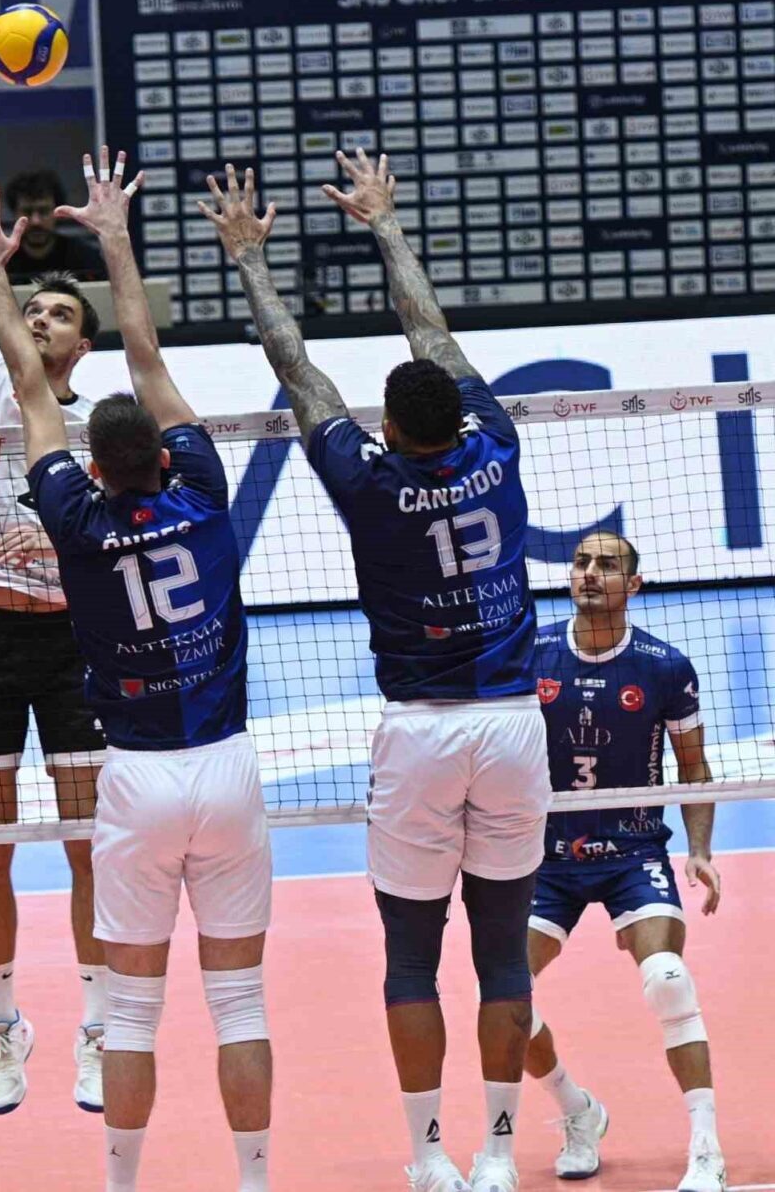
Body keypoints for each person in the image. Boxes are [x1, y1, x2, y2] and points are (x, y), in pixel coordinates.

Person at [206, 151, 549, 1192]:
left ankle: (427, 1154)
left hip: (419, 732)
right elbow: (429, 335)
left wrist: (249, 258)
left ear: (390, 430)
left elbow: (297, 368)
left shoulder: (366, 480)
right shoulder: (497, 446)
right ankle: (500, 1152)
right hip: (512, 725)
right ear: (455, 416)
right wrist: (386, 224)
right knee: (502, 955)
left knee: (410, 958)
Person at [0, 153, 274, 1192]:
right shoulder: (206, 494)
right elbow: (144, 352)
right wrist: (118, 238)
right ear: (169, 454)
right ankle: (254, 1179)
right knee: (240, 1005)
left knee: (134, 1012)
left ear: (91, 469)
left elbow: (29, 384)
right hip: (225, 766)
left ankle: (121, 1183)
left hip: (136, 776)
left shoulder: (76, 523)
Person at [0, 70, 108, 1115]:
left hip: (72, 648)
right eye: (30, 306)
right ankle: (4, 1026)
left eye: (57, 312)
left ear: (82, 342)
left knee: (88, 848)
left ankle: (96, 1026)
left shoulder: (107, 427)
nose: (39, 317)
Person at [529, 531, 725, 1190]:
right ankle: (578, 1111)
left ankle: (706, 1148)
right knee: (503, 1000)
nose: (589, 572)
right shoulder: (531, 654)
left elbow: (693, 767)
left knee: (668, 976)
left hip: (634, 850)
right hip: (546, 856)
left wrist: (700, 850)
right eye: (581, 562)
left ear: (633, 585)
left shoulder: (664, 667)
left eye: (607, 565)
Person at [3, 168, 106, 283]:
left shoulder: (85, 257)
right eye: (27, 212)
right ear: (15, 213)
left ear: (57, 212)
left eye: (44, 211)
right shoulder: (3, 261)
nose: (36, 221)